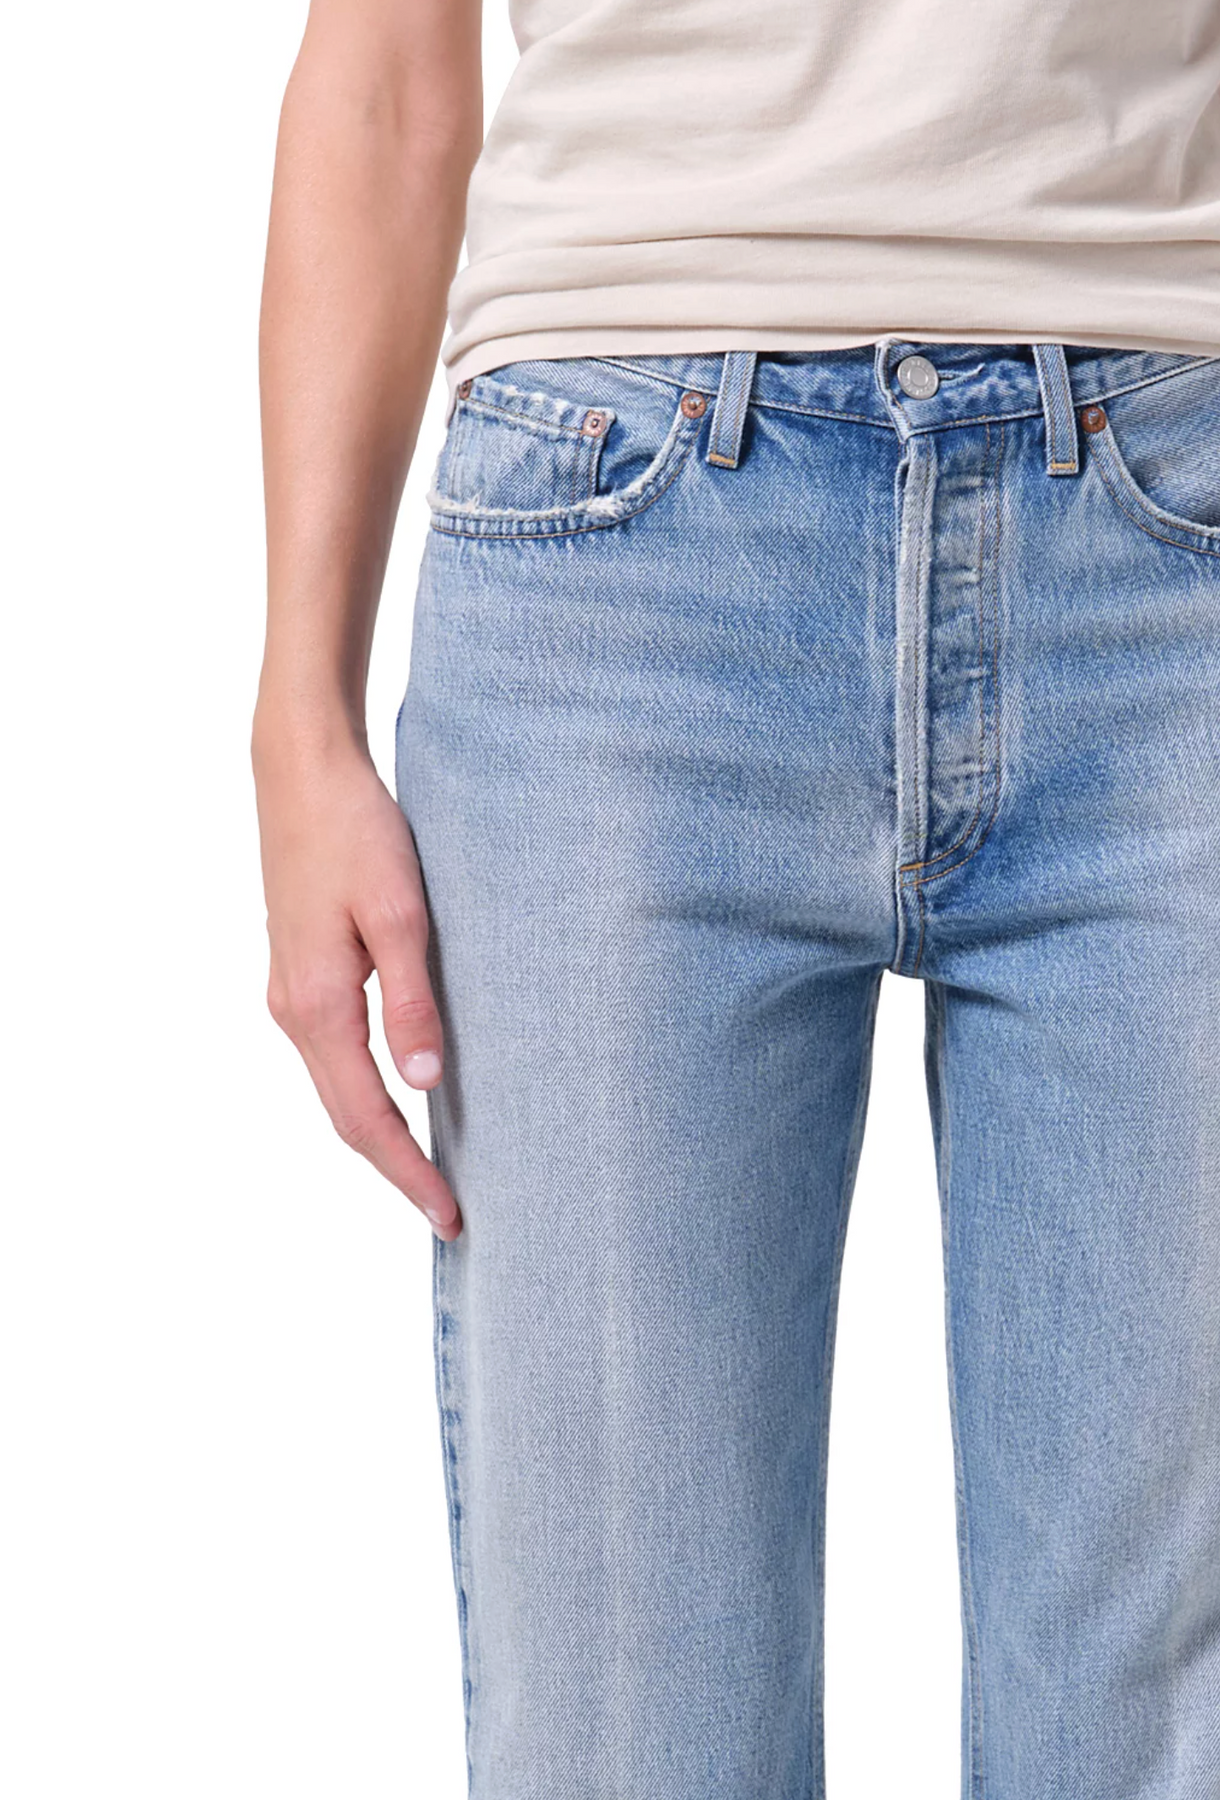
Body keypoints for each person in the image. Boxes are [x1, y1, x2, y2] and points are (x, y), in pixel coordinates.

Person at [253, 0, 1220, 1791]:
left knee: (1166, 1726)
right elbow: (385, 82)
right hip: (618, 568)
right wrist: (297, 720)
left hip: (1172, 529)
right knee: (631, 1724)